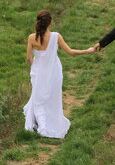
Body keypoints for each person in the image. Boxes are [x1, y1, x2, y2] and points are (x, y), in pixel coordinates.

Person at [23, 10, 96, 139]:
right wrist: (87, 51)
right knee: (52, 97)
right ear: (50, 22)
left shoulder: (31, 37)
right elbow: (71, 52)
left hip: (38, 72)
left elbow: (28, 58)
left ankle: (40, 124)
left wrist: (36, 65)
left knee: (38, 97)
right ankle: (46, 125)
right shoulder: (56, 36)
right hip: (53, 72)